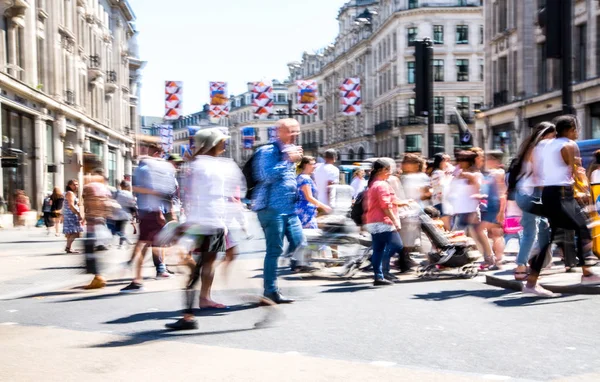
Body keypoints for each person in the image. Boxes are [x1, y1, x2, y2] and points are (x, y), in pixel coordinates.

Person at [166, 128, 245, 330]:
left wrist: (184, 224)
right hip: (218, 223)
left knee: (195, 268)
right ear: (213, 144)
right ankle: (201, 302)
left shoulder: (195, 166)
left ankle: (188, 315)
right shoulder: (227, 165)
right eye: (221, 141)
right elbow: (235, 194)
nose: (224, 144)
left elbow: (189, 195)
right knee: (207, 264)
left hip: (198, 222)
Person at [527, 115, 600, 296]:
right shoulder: (568, 145)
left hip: (550, 193)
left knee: (557, 235)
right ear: (570, 129)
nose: (577, 133)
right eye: (576, 129)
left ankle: (532, 281)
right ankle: (586, 273)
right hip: (561, 193)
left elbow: (537, 168)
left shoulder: (542, 145)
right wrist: (584, 191)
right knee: (582, 229)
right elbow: (576, 171)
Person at [252, 118, 304, 304]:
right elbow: (265, 175)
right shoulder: (268, 151)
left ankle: (284, 270)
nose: (295, 135)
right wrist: (287, 160)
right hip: (270, 208)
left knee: (300, 242)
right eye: (291, 131)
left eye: (297, 131)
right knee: (274, 250)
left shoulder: (289, 151)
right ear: (278, 132)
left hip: (288, 209)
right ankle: (270, 291)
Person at [122, 143, 178, 292]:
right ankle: (156, 271)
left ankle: (138, 280)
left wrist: (159, 208)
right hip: (150, 211)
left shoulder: (147, 168)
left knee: (145, 245)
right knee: (151, 244)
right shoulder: (151, 168)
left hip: (150, 211)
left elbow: (154, 191)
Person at [509, 122, 555, 281]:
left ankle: (540, 264)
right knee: (531, 232)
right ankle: (521, 266)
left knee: (543, 227)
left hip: (526, 194)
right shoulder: (537, 150)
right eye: (552, 136)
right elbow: (538, 177)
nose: (554, 139)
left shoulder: (530, 148)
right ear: (544, 135)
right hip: (530, 194)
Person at [364, 159, 410, 285]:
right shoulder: (382, 185)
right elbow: (385, 206)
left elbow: (391, 201)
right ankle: (382, 268)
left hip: (373, 221)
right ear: (383, 170)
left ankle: (379, 276)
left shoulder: (375, 184)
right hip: (383, 221)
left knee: (378, 249)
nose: (390, 173)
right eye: (389, 170)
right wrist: (395, 221)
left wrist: (405, 202)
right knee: (397, 245)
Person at [81, 169, 114, 290]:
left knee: (90, 251)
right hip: (102, 222)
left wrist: (85, 216)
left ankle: (98, 277)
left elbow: (86, 204)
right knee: (97, 251)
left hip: (92, 223)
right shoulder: (105, 189)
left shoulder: (89, 187)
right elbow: (108, 206)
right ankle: (98, 276)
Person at [479, 150, 507, 266]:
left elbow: (502, 192)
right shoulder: (491, 173)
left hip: (495, 206)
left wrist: (501, 211)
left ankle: (499, 258)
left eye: (489, 158)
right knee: (491, 233)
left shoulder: (498, 173)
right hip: (490, 205)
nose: (487, 161)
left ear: (495, 160)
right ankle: (496, 257)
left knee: (496, 233)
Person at [296, 156, 332, 229]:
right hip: (306, 213)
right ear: (306, 165)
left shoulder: (300, 177)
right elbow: (309, 197)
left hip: (304, 211)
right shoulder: (305, 179)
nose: (314, 166)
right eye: (313, 164)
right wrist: (325, 207)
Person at [430, 153, 451, 230]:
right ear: (441, 161)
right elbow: (443, 185)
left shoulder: (438, 172)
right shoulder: (438, 173)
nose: (448, 163)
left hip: (440, 201)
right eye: (446, 160)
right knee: (446, 227)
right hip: (441, 201)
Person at [112, 180, 136, 248]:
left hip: (116, 214)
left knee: (117, 230)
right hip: (125, 214)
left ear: (121, 186)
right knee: (122, 229)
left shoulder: (116, 193)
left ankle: (123, 241)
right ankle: (121, 243)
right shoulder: (129, 194)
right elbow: (132, 205)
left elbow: (111, 200)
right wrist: (133, 214)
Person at [63, 180, 83, 253]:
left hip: (70, 214)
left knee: (70, 232)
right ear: (69, 185)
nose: (76, 186)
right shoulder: (70, 193)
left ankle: (69, 247)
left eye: (77, 185)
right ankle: (68, 247)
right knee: (76, 232)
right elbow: (71, 206)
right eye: (74, 185)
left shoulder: (71, 193)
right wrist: (78, 214)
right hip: (71, 215)